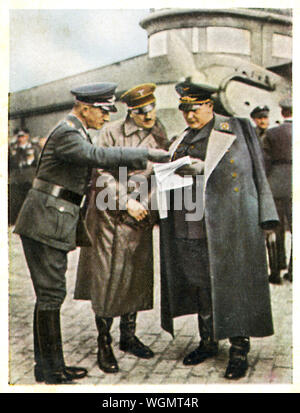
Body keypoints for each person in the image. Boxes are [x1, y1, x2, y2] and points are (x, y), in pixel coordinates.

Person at [13, 82, 170, 384]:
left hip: (51, 218)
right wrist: (147, 153)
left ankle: (49, 366)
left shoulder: (74, 129)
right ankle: (50, 368)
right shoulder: (69, 132)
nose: (105, 118)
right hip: (46, 220)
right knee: (51, 295)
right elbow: (97, 156)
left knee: (50, 295)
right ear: (84, 107)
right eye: (102, 111)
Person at [159, 81, 279, 380]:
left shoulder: (235, 128)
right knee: (199, 281)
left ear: (209, 105)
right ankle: (208, 341)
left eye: (194, 109)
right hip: (190, 221)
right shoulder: (182, 138)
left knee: (234, 281)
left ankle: (239, 349)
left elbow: (258, 175)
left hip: (229, 222)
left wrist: (267, 217)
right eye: (184, 110)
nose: (189, 116)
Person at [74, 83, 170, 374]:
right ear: (131, 111)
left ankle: (128, 336)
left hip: (141, 216)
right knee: (107, 281)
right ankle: (104, 341)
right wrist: (125, 202)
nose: (148, 116)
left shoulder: (158, 132)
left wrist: (149, 206)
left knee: (136, 277)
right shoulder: (111, 132)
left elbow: (163, 172)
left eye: (152, 110)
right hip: (110, 218)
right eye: (142, 112)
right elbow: (99, 173)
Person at [262, 97, 292, 283]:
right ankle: (294, 271)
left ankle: (275, 273)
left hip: (276, 184)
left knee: (274, 229)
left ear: (282, 113)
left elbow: (264, 161)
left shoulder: (272, 133)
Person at [8, 129, 41, 224]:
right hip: (17, 180)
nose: (21, 139)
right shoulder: (12, 149)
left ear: (27, 136)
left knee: (31, 202)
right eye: (18, 136)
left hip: (30, 179)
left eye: (23, 136)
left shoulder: (34, 148)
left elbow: (39, 163)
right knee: (16, 202)